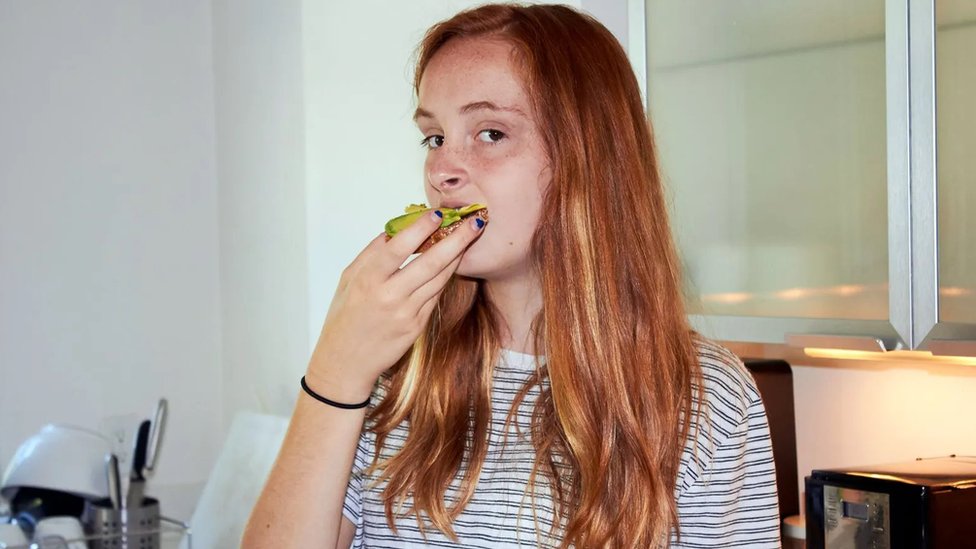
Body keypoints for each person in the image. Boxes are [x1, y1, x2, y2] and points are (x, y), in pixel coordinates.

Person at [243, 4, 781, 548]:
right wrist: (335, 372)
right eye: (434, 137)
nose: (441, 170)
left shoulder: (707, 396)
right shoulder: (390, 374)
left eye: (491, 133)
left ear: (586, 158)